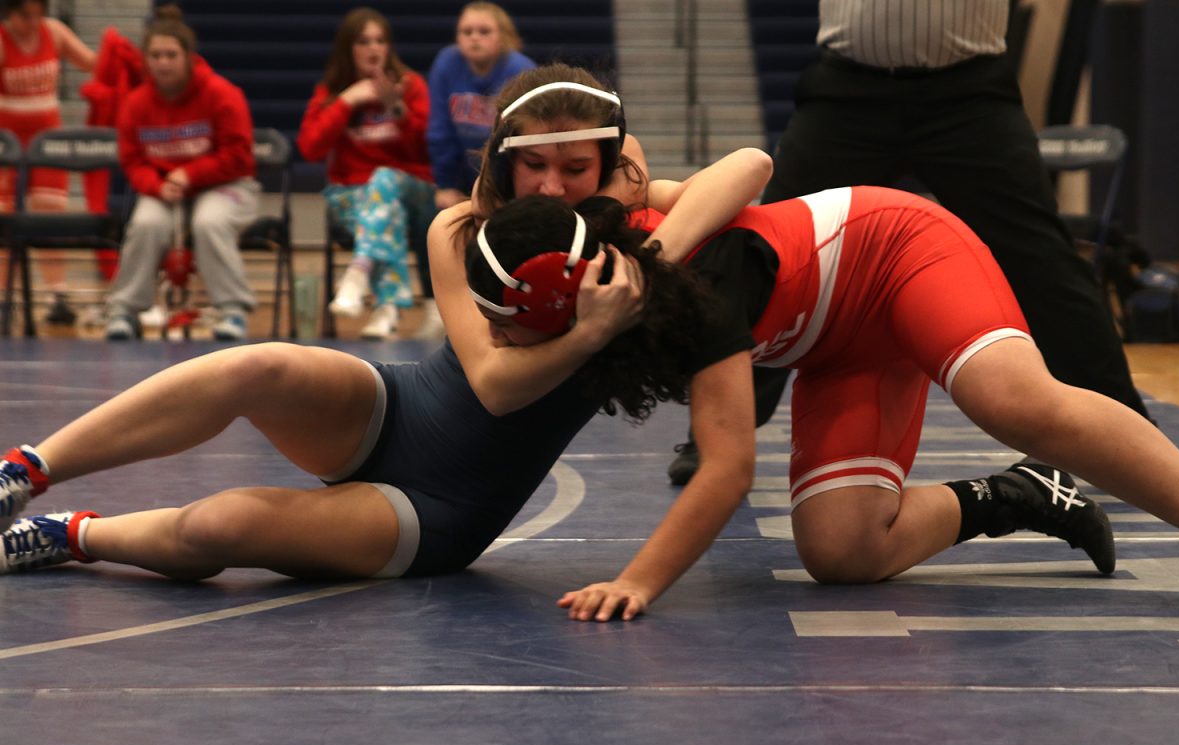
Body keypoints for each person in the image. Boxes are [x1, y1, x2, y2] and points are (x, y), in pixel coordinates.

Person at [0, 70, 771, 592]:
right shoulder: (458, 229)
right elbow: (496, 387)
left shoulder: (622, 233)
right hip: (397, 412)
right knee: (255, 366)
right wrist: (595, 328)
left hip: (440, 511)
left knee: (218, 526)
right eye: (534, 167)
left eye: (577, 167)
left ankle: (70, 534)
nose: (554, 187)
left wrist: (646, 253)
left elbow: (751, 163)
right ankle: (26, 469)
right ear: (503, 165)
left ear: (604, 163)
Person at [463, 187, 1179, 624]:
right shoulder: (605, 289)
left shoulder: (700, 286)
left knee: (1009, 398)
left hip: (902, 252)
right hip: (839, 346)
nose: (495, 333)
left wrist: (637, 581)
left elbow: (726, 468)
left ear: (563, 298)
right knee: (841, 551)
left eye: (502, 316)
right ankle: (1021, 495)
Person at [666, 0, 1152, 486]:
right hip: (848, 92)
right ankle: (717, 433)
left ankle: (1122, 420)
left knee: (1041, 260)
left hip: (968, 94)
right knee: (766, 253)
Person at [104, 5, 258, 342]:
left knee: (209, 222)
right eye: (155, 55)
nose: (163, 62)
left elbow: (238, 156)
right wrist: (157, 186)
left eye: (170, 54)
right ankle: (124, 310)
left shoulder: (223, 94)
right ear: (145, 59)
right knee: (146, 223)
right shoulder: (135, 104)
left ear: (188, 57)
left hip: (225, 184)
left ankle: (232, 309)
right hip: (164, 189)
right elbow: (132, 161)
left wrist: (190, 174)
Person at [298, 7, 438, 341]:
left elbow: (427, 149)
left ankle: (359, 272)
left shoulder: (410, 86)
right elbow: (310, 149)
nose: (374, 49)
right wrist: (347, 100)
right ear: (349, 48)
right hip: (351, 195)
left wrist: (398, 110)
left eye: (380, 41)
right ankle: (386, 311)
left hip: (411, 189)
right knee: (381, 208)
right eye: (364, 42)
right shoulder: (331, 92)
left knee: (385, 179)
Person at [0, 0, 95, 325]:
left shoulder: (53, 33)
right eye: (24, 15)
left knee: (49, 210)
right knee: (4, 216)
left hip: (47, 140)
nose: (32, 21)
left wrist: (122, 62)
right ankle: (4, 299)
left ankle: (58, 294)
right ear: (9, 14)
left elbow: (95, 64)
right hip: (6, 140)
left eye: (37, 13)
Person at [427, 2, 534, 212]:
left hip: (509, 180)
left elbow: (525, 139)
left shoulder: (521, 71)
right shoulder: (446, 64)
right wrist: (446, 184)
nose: (474, 38)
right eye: (466, 32)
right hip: (460, 180)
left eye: (484, 31)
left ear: (504, 37)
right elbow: (440, 131)